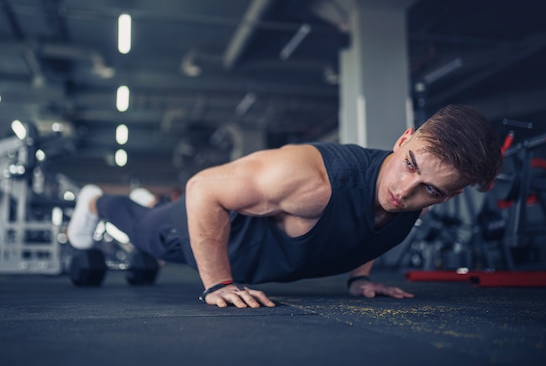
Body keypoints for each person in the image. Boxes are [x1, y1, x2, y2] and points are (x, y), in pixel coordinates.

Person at [67, 104, 503, 308]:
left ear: (452, 194)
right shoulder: (308, 181)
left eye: (432, 189)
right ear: (404, 139)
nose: (407, 191)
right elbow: (202, 189)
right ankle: (97, 201)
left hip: (252, 253)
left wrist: (359, 279)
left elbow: (373, 227)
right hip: (202, 232)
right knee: (143, 228)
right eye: (409, 166)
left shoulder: (420, 199)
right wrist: (218, 283)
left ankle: (141, 203)